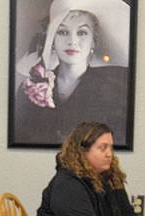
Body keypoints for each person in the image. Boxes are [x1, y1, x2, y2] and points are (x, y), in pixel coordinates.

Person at [13, 0, 131, 145]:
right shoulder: (30, 89)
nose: (72, 41)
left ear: (93, 42)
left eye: (82, 32)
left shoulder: (115, 88)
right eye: (62, 32)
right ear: (52, 40)